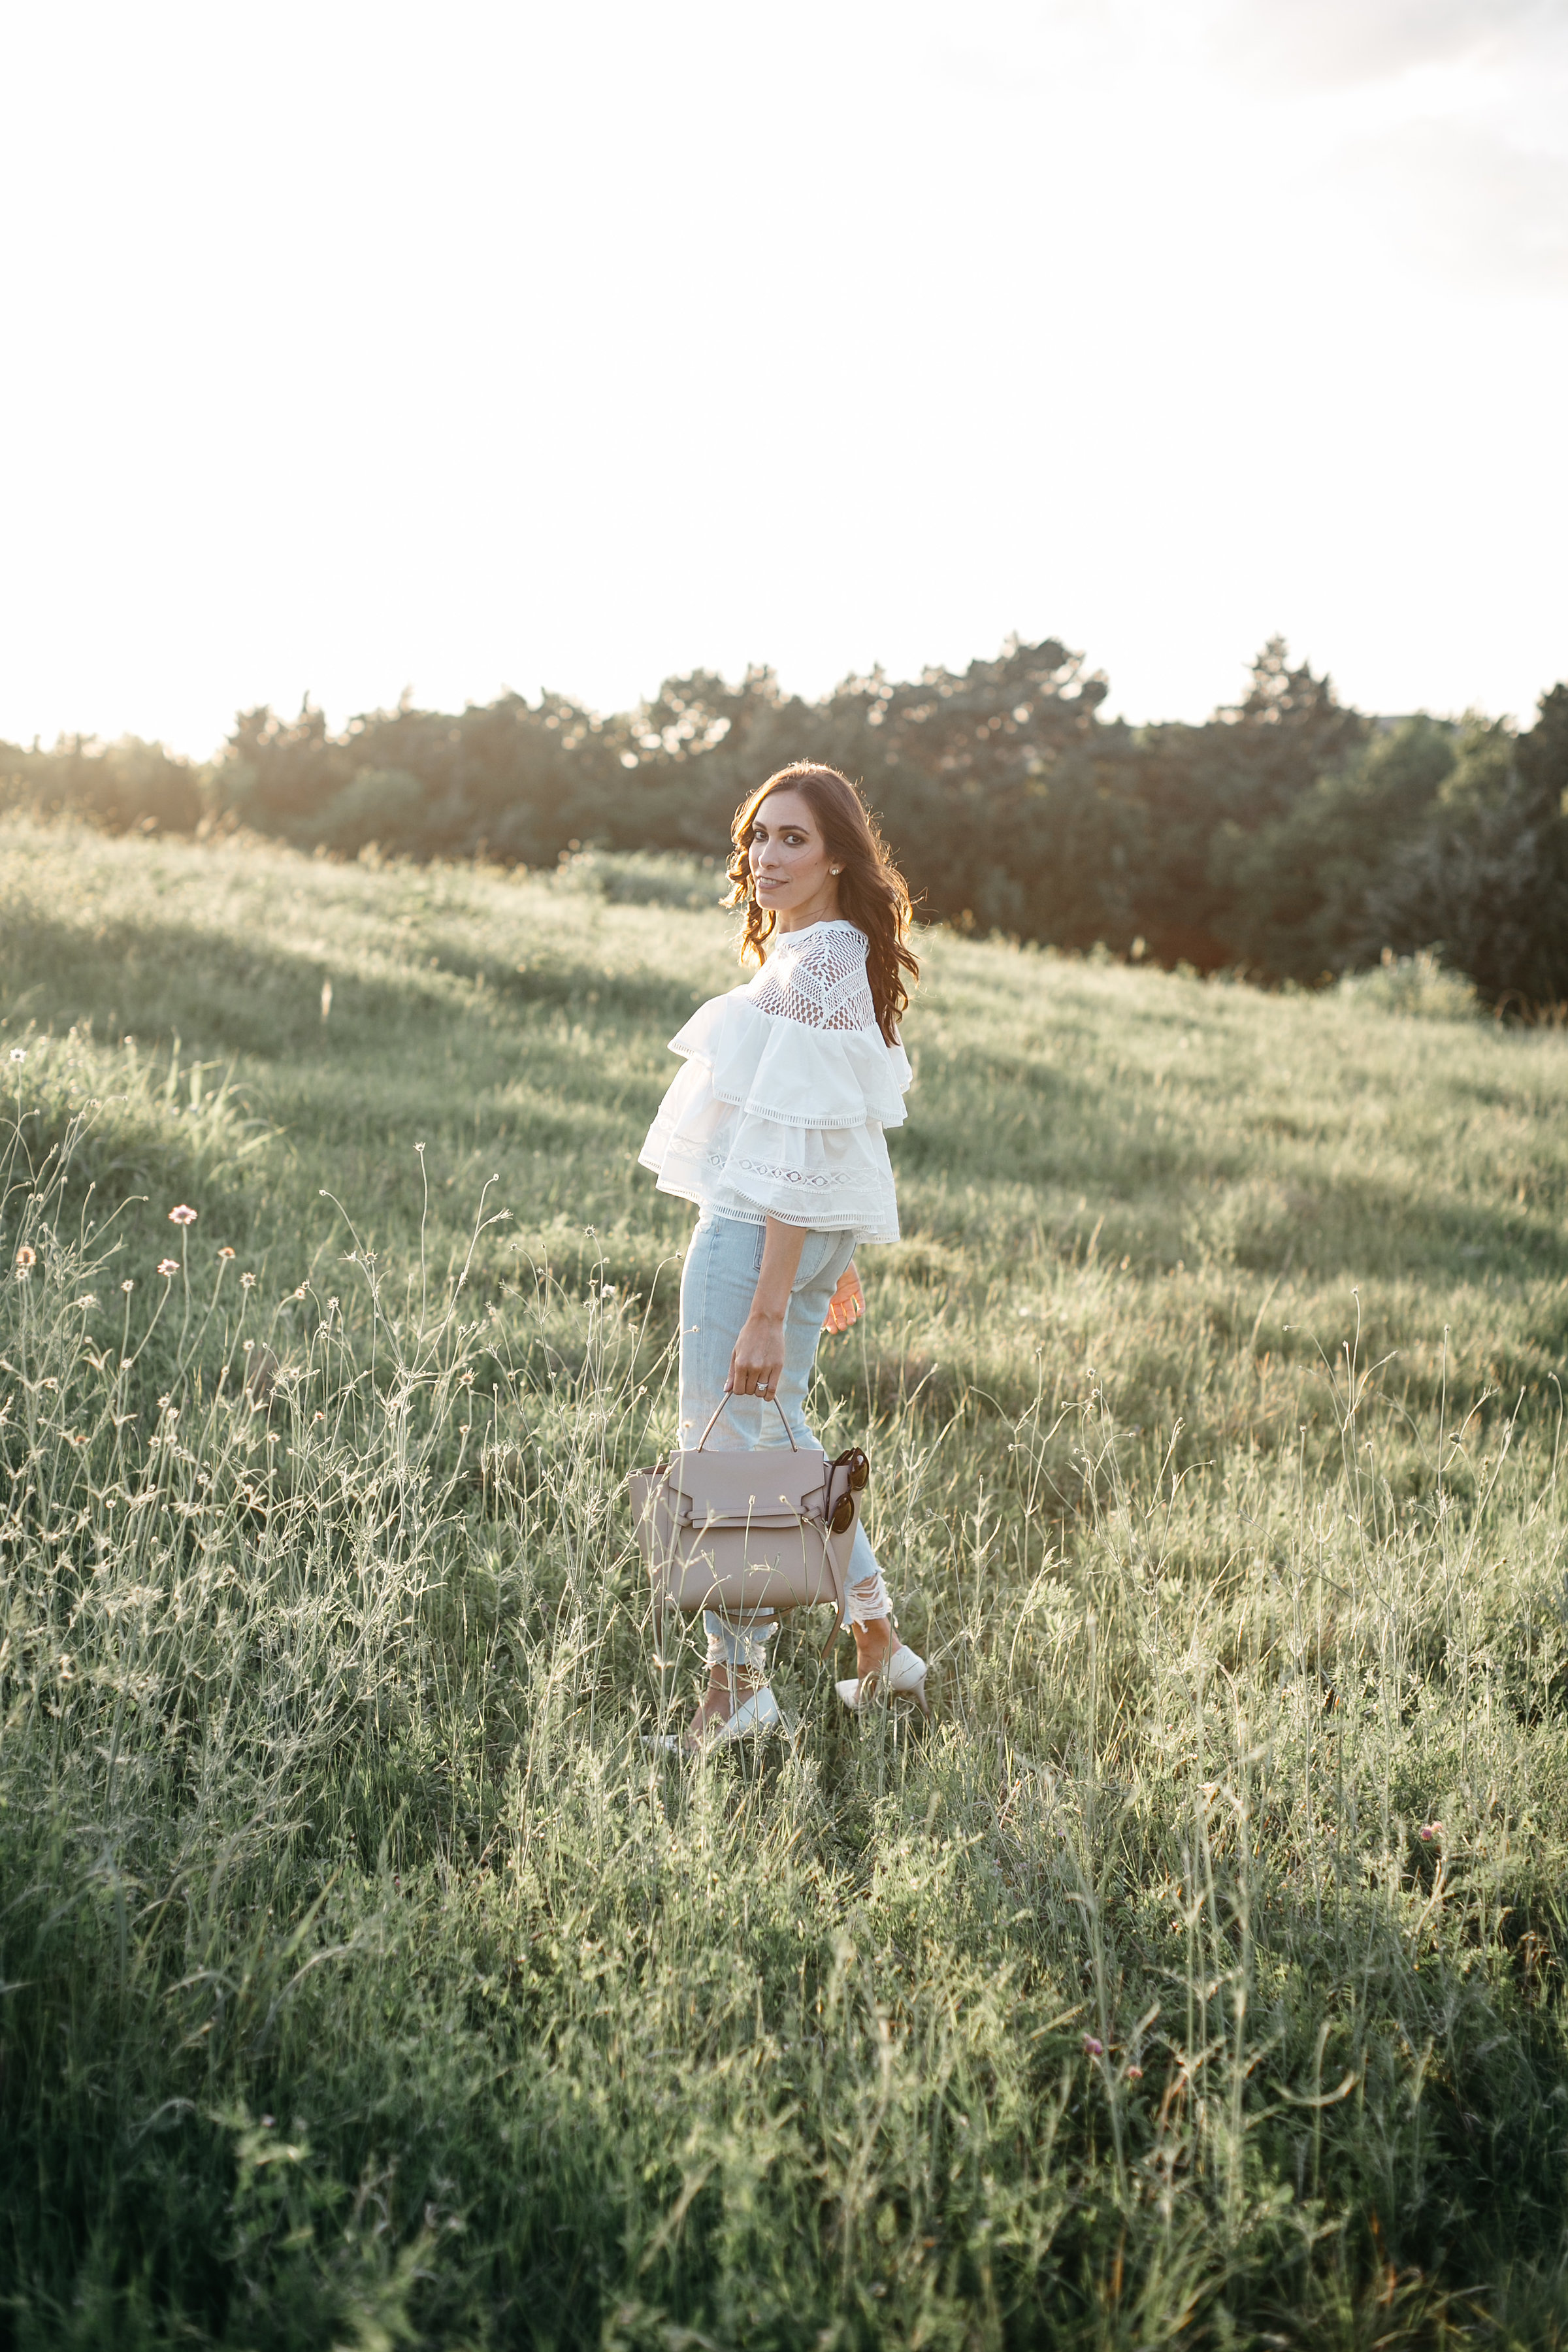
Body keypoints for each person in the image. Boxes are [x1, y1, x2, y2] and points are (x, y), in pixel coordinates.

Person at [638, 760, 928, 1747]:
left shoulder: (813, 971)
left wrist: (771, 1304)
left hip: (754, 1233)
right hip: (792, 1233)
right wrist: (823, 1258)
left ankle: (737, 1692)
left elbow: (795, 1142)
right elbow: (825, 1129)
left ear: (839, 855)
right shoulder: (834, 957)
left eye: (793, 838)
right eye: (759, 835)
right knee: (780, 1436)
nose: (766, 855)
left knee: (721, 1452)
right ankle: (879, 1644)